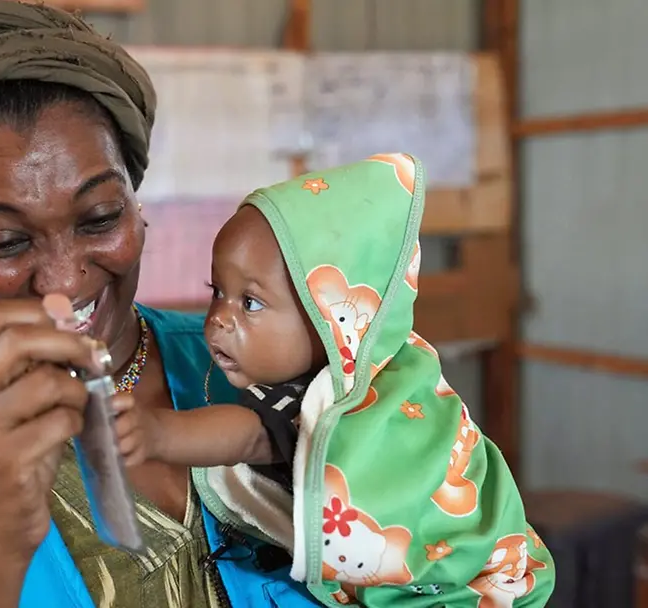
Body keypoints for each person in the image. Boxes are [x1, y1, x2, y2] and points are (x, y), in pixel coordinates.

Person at [0, 2, 321, 607]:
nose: (65, 280)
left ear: (135, 197)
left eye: (99, 218)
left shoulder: (276, 372)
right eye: (4, 242)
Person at [112, 153, 556, 606]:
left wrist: (159, 432)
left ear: (327, 319)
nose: (219, 319)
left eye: (250, 303)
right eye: (217, 292)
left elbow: (245, 436)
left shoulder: (327, 399)